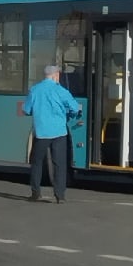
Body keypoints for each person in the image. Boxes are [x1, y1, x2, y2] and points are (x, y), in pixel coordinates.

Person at [23, 64, 81, 203]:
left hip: (41, 133)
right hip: (59, 132)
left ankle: (36, 193)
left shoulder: (35, 90)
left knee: (36, 162)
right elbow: (74, 107)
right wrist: (70, 115)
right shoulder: (61, 90)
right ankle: (59, 195)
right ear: (56, 75)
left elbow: (26, 110)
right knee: (59, 163)